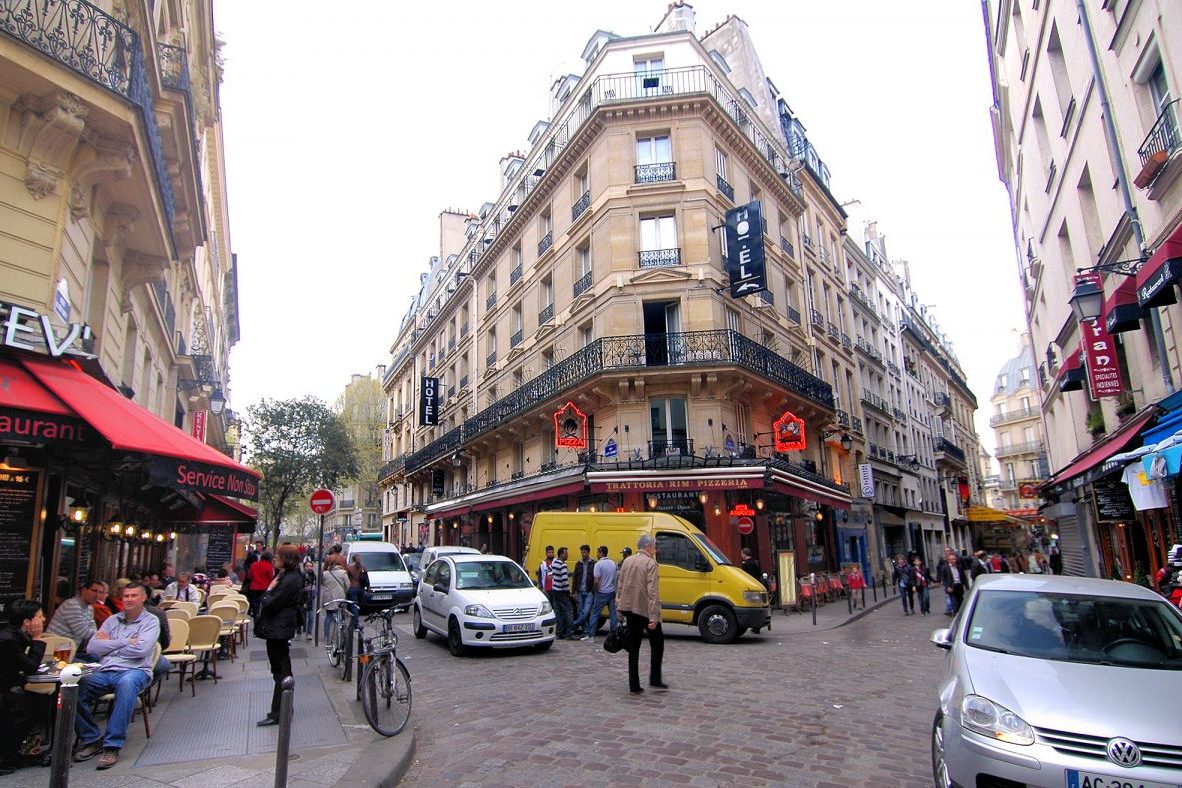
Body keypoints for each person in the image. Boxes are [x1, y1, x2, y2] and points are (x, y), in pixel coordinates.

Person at [73, 582, 159, 770]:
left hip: (135, 671)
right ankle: (91, 738)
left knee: (127, 685)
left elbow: (141, 650)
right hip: (105, 671)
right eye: (126, 596)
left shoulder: (151, 621)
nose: (128, 599)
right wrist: (127, 641)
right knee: (72, 686)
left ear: (143, 598)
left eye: (133, 596)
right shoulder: (112, 620)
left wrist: (110, 645)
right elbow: (93, 648)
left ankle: (112, 745)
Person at [0, 599, 51, 774]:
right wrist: (37, 638)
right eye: (39, 617)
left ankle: (14, 751)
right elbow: (30, 666)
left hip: (8, 689)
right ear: (27, 621)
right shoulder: (9, 640)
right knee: (31, 707)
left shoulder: (14, 635)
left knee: (40, 702)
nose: (43, 619)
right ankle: (6, 756)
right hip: (4, 693)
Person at [255, 544, 303, 728]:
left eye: (278, 556)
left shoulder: (289, 579)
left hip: (279, 629)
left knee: (281, 670)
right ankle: (282, 709)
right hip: (277, 628)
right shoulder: (286, 576)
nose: (274, 558)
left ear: (286, 559)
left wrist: (268, 591)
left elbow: (270, 603)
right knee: (280, 669)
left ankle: (280, 712)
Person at [616, 534, 665, 695]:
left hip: (630, 609)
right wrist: (654, 616)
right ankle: (655, 678)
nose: (655, 549)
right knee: (657, 643)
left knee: (633, 647)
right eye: (654, 546)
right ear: (647, 547)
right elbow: (652, 592)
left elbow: (620, 585)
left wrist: (619, 609)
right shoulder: (650, 563)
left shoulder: (627, 561)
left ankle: (634, 684)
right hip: (644, 610)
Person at [46, 578, 102, 659]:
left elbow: (94, 630)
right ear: (83, 590)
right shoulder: (72, 605)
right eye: (94, 591)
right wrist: (104, 636)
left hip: (71, 650)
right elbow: (83, 633)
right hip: (56, 651)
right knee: (94, 661)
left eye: (100, 592)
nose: (97, 595)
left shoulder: (90, 608)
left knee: (99, 658)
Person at [581, 545, 618, 640]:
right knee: (613, 613)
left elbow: (596, 580)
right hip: (611, 591)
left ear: (601, 553)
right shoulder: (613, 563)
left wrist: (596, 590)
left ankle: (590, 635)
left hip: (601, 592)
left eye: (598, 552)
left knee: (595, 613)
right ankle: (614, 633)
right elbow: (616, 578)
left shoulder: (598, 565)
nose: (596, 554)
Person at [320, 557, 349, 643]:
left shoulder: (325, 574)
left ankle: (326, 635)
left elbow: (322, 583)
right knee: (339, 615)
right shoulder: (343, 573)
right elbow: (347, 585)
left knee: (328, 616)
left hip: (328, 597)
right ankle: (338, 634)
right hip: (340, 596)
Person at [571, 545, 595, 639]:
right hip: (580, 591)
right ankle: (585, 631)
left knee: (586, 612)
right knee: (581, 611)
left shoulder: (593, 564)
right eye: (582, 552)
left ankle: (573, 624)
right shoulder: (578, 564)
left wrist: (593, 590)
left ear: (588, 552)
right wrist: (574, 591)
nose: (583, 554)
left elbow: (595, 577)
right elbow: (575, 578)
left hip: (589, 591)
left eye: (584, 552)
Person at [550, 547, 574, 639]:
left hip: (555, 590)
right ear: (561, 554)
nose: (567, 555)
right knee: (569, 611)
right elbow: (564, 580)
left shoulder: (554, 562)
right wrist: (568, 591)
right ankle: (569, 633)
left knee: (558, 612)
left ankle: (559, 632)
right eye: (566, 553)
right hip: (562, 591)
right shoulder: (563, 565)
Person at [247, 550, 274, 619]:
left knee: (255, 605)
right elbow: (270, 578)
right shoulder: (269, 566)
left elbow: (249, 576)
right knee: (264, 605)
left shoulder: (254, 564)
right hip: (264, 588)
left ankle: (256, 618)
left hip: (254, 588)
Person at [297, 560, 316, 641]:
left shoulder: (313, 575)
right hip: (302, 598)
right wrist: (305, 589)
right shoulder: (301, 575)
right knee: (301, 616)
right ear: (304, 567)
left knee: (311, 617)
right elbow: (297, 588)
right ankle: (299, 632)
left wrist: (313, 593)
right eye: (307, 566)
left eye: (311, 566)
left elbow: (315, 586)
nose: (309, 568)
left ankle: (309, 633)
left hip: (311, 598)